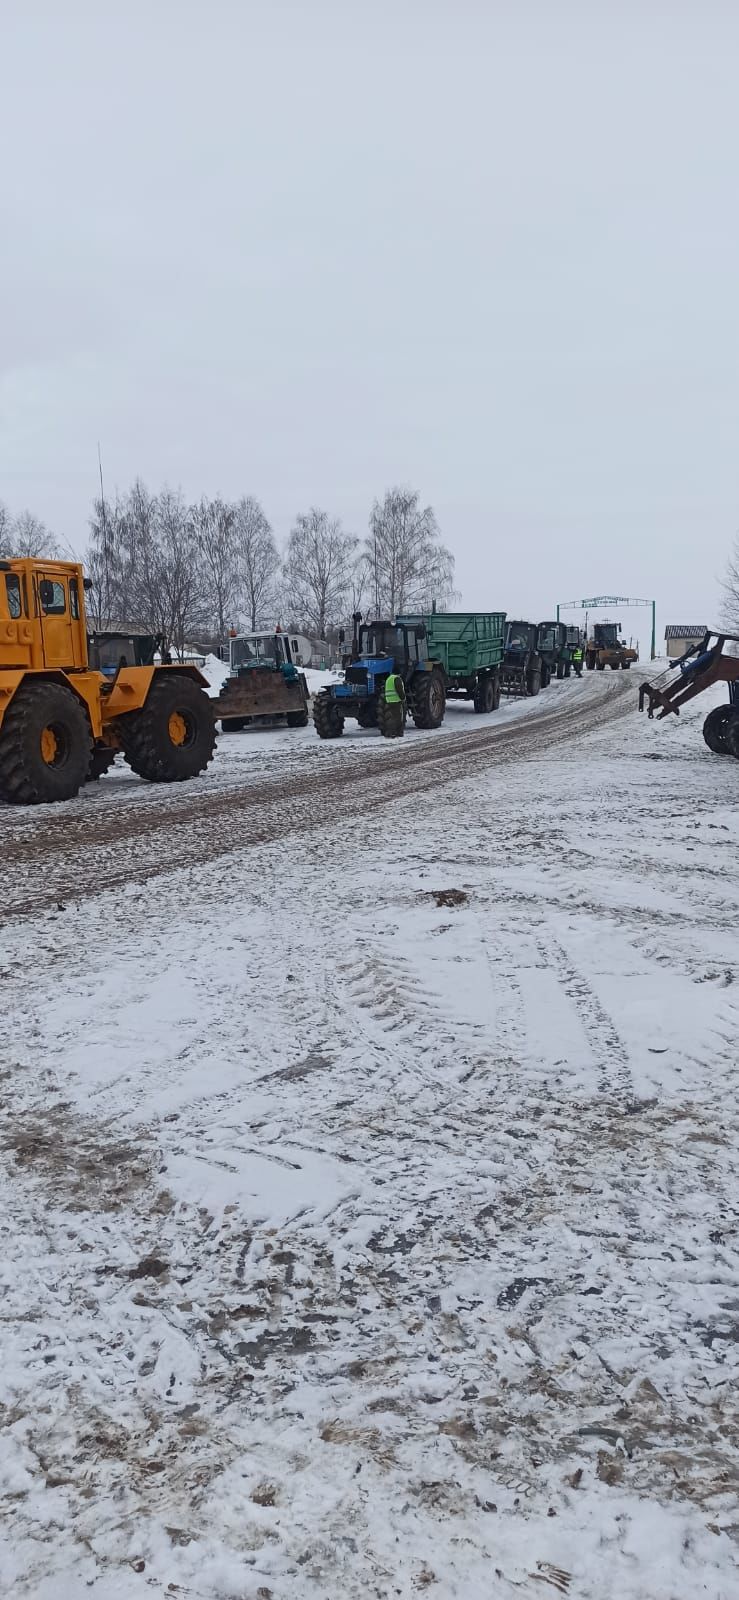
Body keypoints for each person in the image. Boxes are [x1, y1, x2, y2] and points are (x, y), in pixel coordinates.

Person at [381, 671, 406, 737]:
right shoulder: (397, 678)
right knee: (398, 717)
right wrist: (403, 697)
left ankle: (391, 732)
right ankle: (396, 732)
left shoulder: (388, 679)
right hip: (396, 700)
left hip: (389, 700)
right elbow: (399, 689)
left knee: (393, 716)